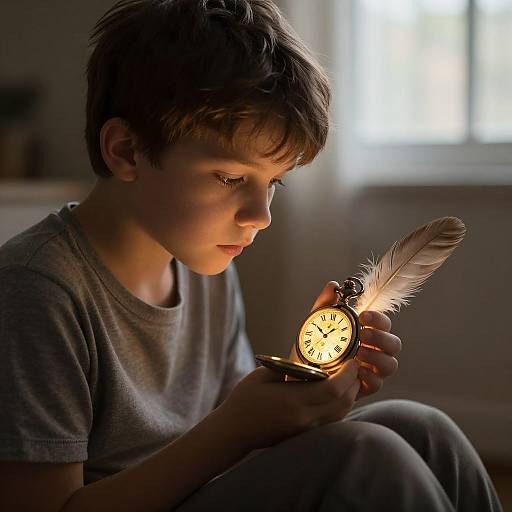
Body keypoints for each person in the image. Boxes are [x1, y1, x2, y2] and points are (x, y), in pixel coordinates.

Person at [0, 1, 503, 511]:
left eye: (273, 182)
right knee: (365, 455)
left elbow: (233, 449)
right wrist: (236, 426)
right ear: (126, 151)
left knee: (423, 428)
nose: (260, 216)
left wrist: (299, 389)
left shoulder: (205, 268)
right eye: (232, 178)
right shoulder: (37, 289)